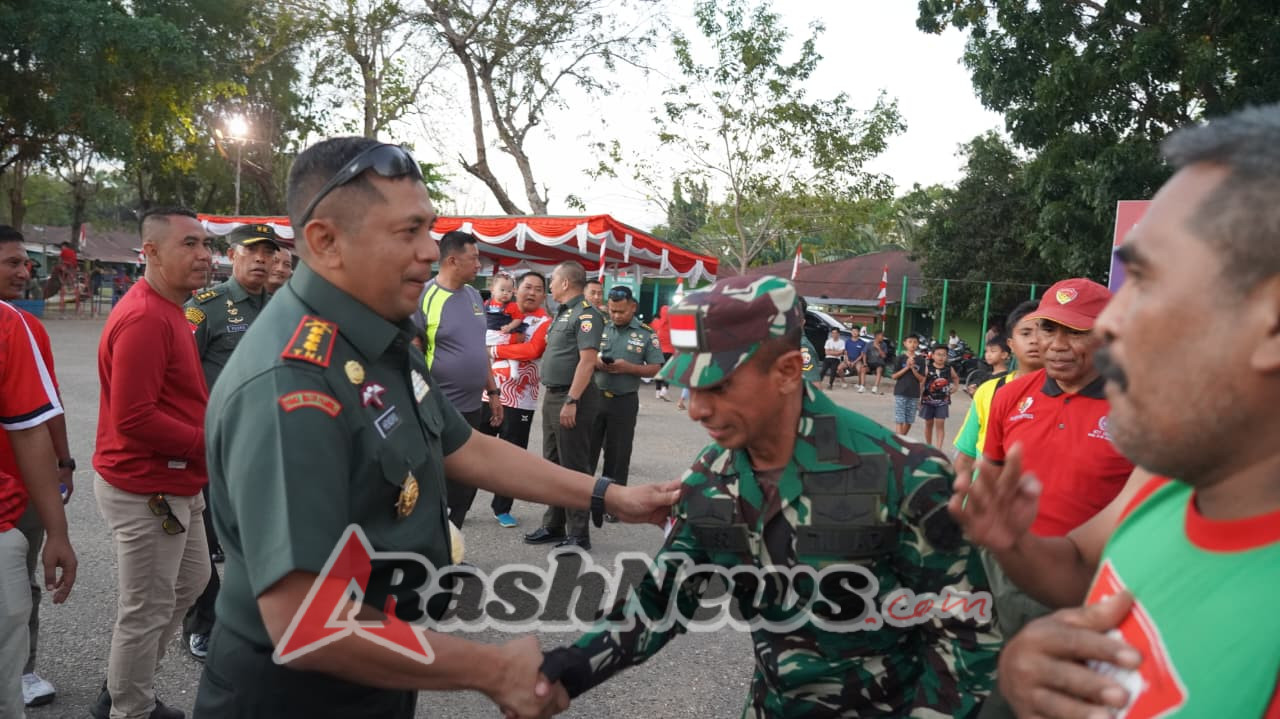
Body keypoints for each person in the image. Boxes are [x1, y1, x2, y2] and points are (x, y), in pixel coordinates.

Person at [191, 137, 679, 719]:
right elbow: (305, 618)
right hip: (292, 698)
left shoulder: (378, 336)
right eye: (408, 232)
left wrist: (611, 495)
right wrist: (491, 670)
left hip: (377, 666)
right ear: (325, 241)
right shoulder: (292, 381)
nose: (430, 252)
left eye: (429, 229)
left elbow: (466, 447)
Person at [539, 275, 1000, 717]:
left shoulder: (904, 475)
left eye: (718, 386)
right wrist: (568, 670)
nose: (696, 408)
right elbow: (661, 602)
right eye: (690, 385)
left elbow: (967, 638)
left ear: (787, 372)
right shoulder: (712, 477)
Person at [951, 103, 1280, 719]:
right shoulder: (1168, 480)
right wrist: (1025, 669)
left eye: (1147, 284)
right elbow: (1080, 567)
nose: (1108, 329)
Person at [92, 207, 214, 719]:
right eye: (189, 244)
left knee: (190, 583)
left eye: (206, 244)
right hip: (146, 487)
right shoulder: (145, 317)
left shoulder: (172, 309)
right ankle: (130, 708)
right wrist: (211, 442)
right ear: (151, 252)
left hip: (177, 481)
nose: (205, 255)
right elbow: (134, 418)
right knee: (145, 609)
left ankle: (126, 685)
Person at [181, 222, 282, 661]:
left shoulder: (280, 308)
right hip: (214, 444)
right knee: (204, 542)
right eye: (251, 250)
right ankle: (202, 623)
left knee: (258, 538)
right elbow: (180, 375)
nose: (261, 258)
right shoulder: (206, 307)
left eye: (268, 252)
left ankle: (251, 618)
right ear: (232, 255)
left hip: (263, 445)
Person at [0, 227, 76, 710]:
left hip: (20, 486)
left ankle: (22, 670)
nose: (24, 272)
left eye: (25, 262)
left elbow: (44, 412)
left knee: (21, 580)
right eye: (12, 262)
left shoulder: (21, 327)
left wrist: (64, 462)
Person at [413, 230, 504, 528]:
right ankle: (433, 546)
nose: (479, 265)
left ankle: (454, 542)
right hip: (437, 408)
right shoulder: (424, 296)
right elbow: (412, 355)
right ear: (452, 260)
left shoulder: (474, 296)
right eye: (474, 258)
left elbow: (479, 349)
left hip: (472, 408)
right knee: (435, 484)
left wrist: (493, 392)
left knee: (465, 485)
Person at [522, 261, 606, 551]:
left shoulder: (587, 315)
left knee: (574, 467)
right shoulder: (563, 313)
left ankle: (579, 534)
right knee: (553, 463)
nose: (551, 286)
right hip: (553, 395)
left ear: (566, 283)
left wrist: (572, 400)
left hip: (572, 397)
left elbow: (587, 361)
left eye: (553, 280)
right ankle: (554, 525)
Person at [588, 285, 664, 522]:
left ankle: (614, 506)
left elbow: (657, 368)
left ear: (633, 307)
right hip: (595, 397)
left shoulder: (646, 334)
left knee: (618, 455)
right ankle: (583, 500)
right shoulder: (599, 325)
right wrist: (596, 362)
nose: (616, 315)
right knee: (587, 451)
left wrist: (629, 368)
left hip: (624, 401)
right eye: (612, 310)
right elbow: (583, 354)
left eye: (621, 311)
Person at [487, 271, 553, 527]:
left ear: (544, 295)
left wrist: (494, 349)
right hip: (487, 391)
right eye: (527, 287)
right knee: (470, 450)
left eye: (538, 289)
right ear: (516, 290)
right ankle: (456, 505)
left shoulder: (545, 321)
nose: (532, 292)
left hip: (520, 399)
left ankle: (502, 508)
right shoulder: (498, 311)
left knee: (512, 457)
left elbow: (532, 350)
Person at [952, 301, 1042, 482]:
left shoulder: (1069, 395)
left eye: (1045, 332)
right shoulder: (989, 390)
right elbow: (966, 457)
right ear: (1011, 344)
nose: (1034, 340)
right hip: (985, 495)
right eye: (1026, 333)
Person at [920, 344, 961, 448]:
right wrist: (919, 399)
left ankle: (938, 449)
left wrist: (956, 387)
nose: (941, 357)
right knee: (929, 424)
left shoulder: (949, 368)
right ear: (933, 355)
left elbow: (955, 377)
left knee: (940, 422)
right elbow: (922, 383)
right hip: (928, 400)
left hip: (943, 401)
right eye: (938, 354)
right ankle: (929, 447)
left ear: (947, 356)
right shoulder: (928, 368)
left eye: (944, 355)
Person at [890, 335, 926, 435]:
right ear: (905, 343)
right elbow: (894, 376)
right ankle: (899, 441)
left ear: (918, 344)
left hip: (914, 394)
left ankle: (902, 439)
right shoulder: (900, 358)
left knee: (909, 420)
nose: (912, 344)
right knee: (899, 419)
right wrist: (906, 367)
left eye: (915, 342)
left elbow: (921, 379)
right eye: (910, 342)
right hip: (900, 392)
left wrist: (913, 368)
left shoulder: (920, 360)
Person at [484, 272, 525, 347]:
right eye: (502, 290)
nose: (505, 293)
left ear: (513, 292)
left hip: (503, 333)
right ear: (492, 290)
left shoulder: (512, 306)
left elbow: (518, 318)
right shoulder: (487, 303)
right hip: (488, 331)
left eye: (509, 291)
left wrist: (510, 326)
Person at [649, 305, 675, 400]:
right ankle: (664, 390)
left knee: (659, 371)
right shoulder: (673, 324)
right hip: (670, 351)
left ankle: (657, 392)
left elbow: (650, 332)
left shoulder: (656, 323)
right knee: (668, 371)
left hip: (658, 351)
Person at [861, 329, 889, 393]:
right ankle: (862, 386)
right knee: (863, 369)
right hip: (870, 363)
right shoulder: (869, 344)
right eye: (882, 336)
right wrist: (865, 363)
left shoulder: (884, 344)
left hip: (879, 363)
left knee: (879, 370)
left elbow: (884, 356)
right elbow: (864, 354)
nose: (883, 337)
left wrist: (878, 348)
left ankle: (875, 387)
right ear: (877, 336)